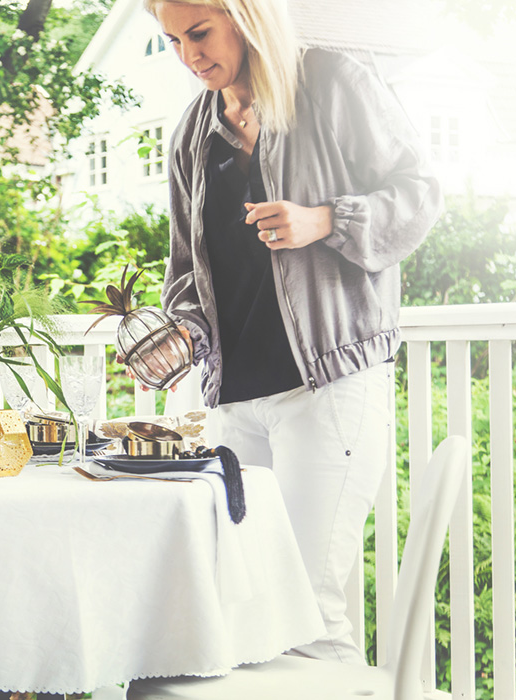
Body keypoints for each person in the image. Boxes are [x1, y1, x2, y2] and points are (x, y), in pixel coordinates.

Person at [143, 0, 443, 664]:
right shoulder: (192, 132)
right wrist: (182, 336)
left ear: (243, 16)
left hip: (328, 389)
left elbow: (420, 192)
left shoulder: (334, 83)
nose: (189, 55)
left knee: (308, 612)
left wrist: (326, 220)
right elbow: (190, 275)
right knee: (246, 607)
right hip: (234, 405)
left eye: (199, 32)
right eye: (170, 41)